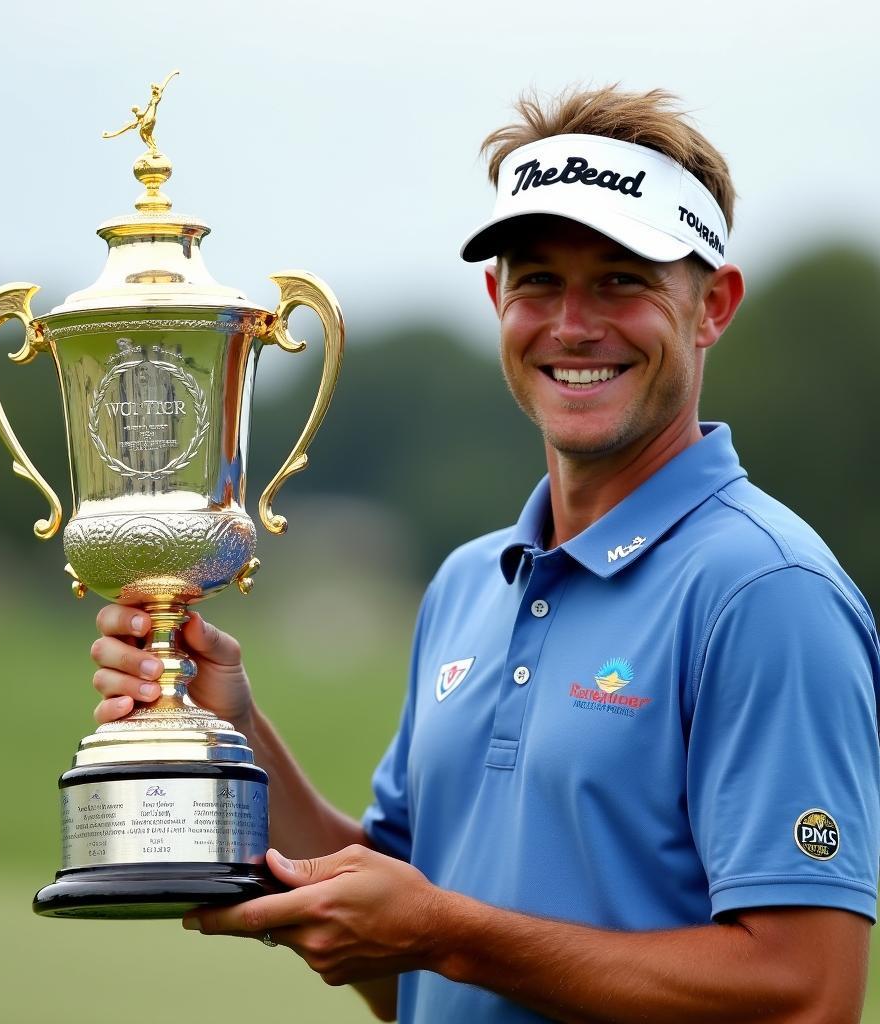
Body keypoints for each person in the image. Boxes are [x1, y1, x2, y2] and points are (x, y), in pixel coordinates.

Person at [88, 86, 880, 1023]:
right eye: (539, 279)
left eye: (623, 279)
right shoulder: (470, 581)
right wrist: (238, 733)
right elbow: (402, 968)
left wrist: (447, 932)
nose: (573, 325)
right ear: (498, 298)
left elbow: (807, 993)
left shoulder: (765, 592)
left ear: (712, 307)